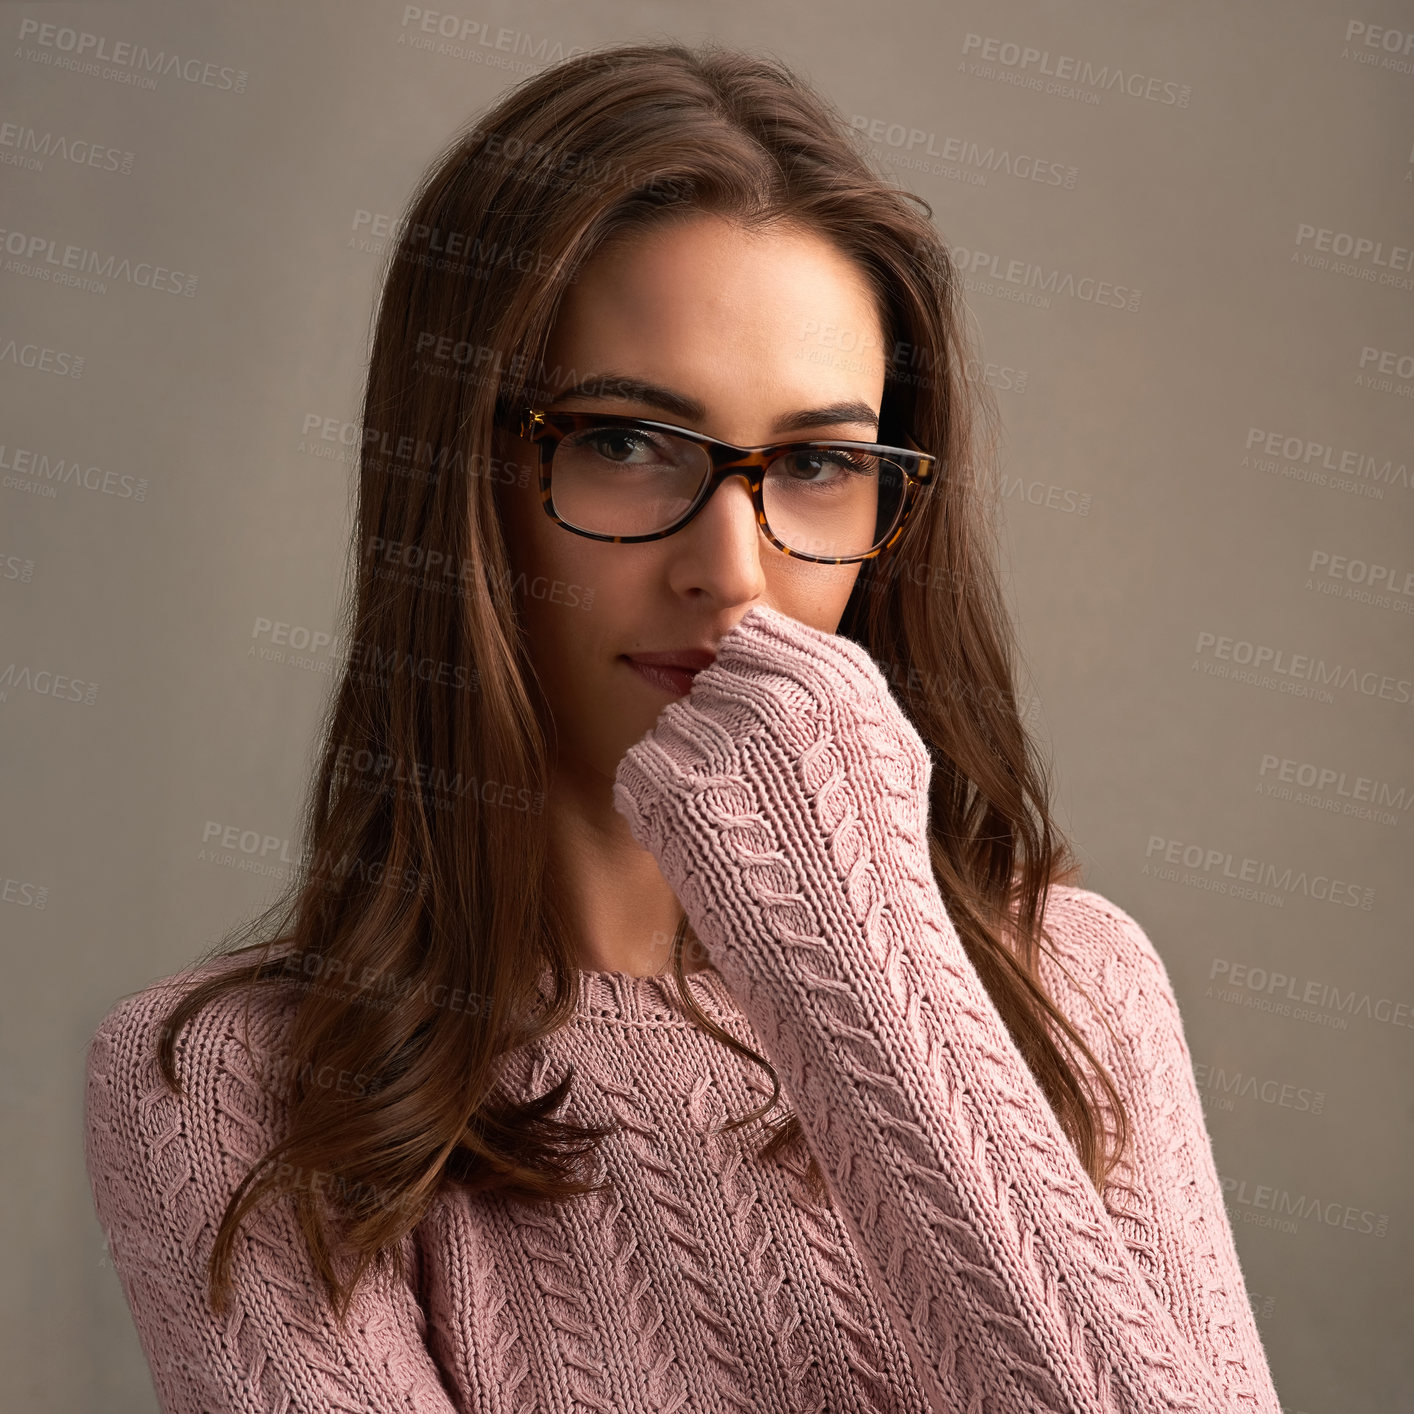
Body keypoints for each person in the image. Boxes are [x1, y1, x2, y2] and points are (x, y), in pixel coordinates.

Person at [83, 39, 1286, 1414]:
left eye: (822, 464)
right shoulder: (234, 1087)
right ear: (462, 472)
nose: (733, 569)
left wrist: (853, 959)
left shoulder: (1072, 984)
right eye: (625, 441)